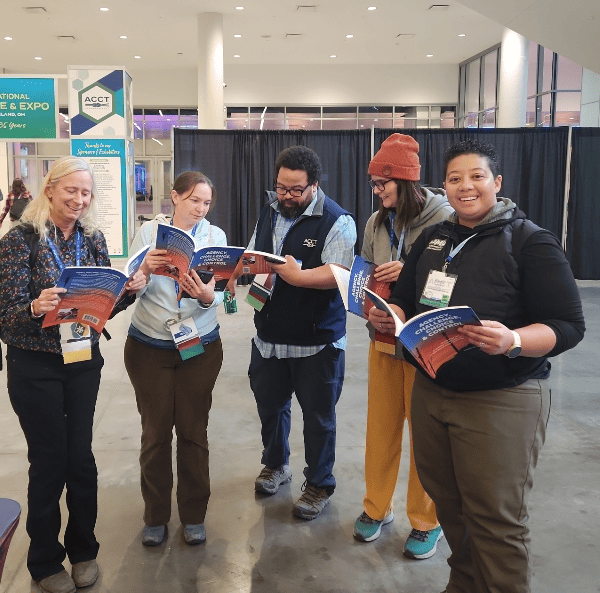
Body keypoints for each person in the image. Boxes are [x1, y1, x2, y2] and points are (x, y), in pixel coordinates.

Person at [368, 139, 585, 593]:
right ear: (442, 186)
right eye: (454, 179)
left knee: (496, 521)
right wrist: (390, 316)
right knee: (451, 508)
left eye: (476, 176)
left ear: (496, 182)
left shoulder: (530, 242)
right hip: (432, 391)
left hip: (502, 400)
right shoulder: (436, 238)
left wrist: (513, 340)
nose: (465, 187)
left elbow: (568, 325)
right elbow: (405, 300)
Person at [0, 156, 145, 593]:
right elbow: (8, 318)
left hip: (82, 361)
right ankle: (43, 560)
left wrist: (126, 293)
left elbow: (100, 311)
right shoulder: (20, 241)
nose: (79, 200)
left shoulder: (93, 239)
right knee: (48, 463)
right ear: (50, 190)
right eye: (71, 191)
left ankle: (84, 550)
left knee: (80, 459)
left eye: (86, 193)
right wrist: (33, 306)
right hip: (34, 365)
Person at [240, 145, 356, 520]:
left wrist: (299, 276)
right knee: (270, 408)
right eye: (281, 188)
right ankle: (275, 464)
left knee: (319, 418)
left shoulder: (338, 220)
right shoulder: (270, 209)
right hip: (269, 336)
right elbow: (258, 253)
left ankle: (319, 483)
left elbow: (339, 273)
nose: (286, 197)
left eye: (295, 190)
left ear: (314, 186)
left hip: (316, 342)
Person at [354, 133, 452, 559]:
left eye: (383, 184)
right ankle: (376, 507)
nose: (377, 192)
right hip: (383, 341)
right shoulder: (376, 223)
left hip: (425, 343)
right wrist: (367, 307)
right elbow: (363, 277)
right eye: (374, 185)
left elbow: (450, 287)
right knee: (381, 427)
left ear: (407, 181)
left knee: (425, 434)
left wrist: (410, 270)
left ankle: (426, 520)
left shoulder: (444, 220)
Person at [124, 171, 226, 547]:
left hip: (198, 346)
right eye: (194, 200)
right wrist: (145, 271)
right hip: (149, 345)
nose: (199, 208)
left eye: (206, 202)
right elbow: (129, 286)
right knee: (154, 434)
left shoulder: (215, 238)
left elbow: (215, 294)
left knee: (193, 431)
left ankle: (194, 514)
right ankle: (155, 516)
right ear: (175, 198)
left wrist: (204, 296)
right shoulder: (148, 233)